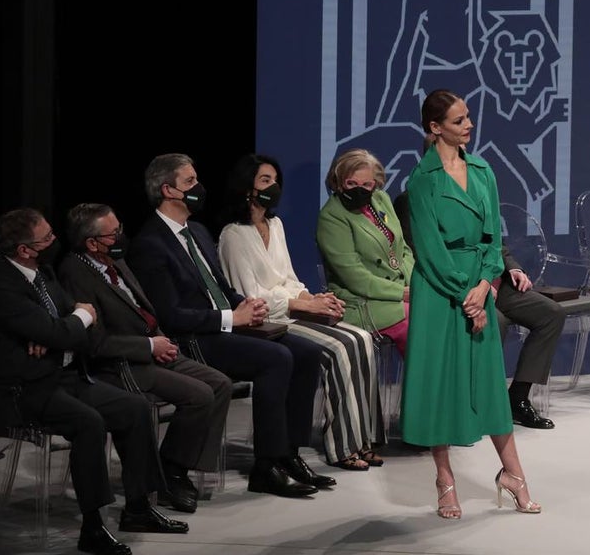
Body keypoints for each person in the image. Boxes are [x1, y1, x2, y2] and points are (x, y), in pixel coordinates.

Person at [0, 208, 188, 555]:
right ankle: (93, 526)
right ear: (25, 249)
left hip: (59, 374)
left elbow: (68, 323)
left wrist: (61, 328)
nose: (55, 241)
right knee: (89, 423)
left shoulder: (44, 272)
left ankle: (139, 508)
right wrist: (69, 324)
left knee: (133, 408)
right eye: (46, 238)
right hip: (18, 389)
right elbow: (70, 322)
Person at [127, 153, 333, 498]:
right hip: (193, 339)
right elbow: (170, 315)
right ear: (168, 191)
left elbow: (221, 287)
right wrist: (230, 318)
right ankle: (266, 465)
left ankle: (288, 453)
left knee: (307, 352)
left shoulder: (197, 231)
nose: (198, 187)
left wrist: (244, 304)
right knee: (276, 359)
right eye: (190, 182)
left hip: (225, 326)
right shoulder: (150, 244)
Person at [401, 88, 541, 519]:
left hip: (476, 286)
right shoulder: (421, 181)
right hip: (440, 295)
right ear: (435, 127)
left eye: (468, 117)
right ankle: (445, 479)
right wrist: (467, 295)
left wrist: (485, 286)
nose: (469, 125)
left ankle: (513, 474)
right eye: (460, 120)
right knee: (440, 386)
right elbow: (428, 250)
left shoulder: (482, 170)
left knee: (489, 387)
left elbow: (492, 239)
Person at [58, 202, 234, 513]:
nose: (121, 238)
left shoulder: (116, 259)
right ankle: (169, 476)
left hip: (153, 347)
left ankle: (175, 467)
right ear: (91, 243)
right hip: (120, 364)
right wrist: (148, 346)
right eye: (114, 234)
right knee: (199, 394)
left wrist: (160, 340)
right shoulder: (75, 272)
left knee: (219, 384)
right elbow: (95, 343)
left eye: (120, 229)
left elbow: (145, 308)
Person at [217, 153, 384, 471]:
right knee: (339, 347)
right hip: (264, 321)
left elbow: (289, 278)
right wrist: (302, 304)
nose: (273, 187)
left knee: (361, 338)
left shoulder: (275, 224)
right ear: (246, 188)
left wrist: (315, 298)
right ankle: (342, 446)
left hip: (291, 310)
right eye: (265, 181)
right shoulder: (233, 235)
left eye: (275, 181)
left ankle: (364, 440)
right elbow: (251, 296)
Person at [394, 192, 561, 430]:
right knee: (497, 323)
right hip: (456, 287)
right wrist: (471, 287)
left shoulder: (474, 192)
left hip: (494, 282)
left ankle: (518, 398)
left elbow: (495, 243)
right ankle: (476, 405)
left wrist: (513, 269)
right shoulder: (413, 199)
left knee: (550, 313)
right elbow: (422, 254)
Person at [316, 148, 414, 358]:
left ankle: (447, 388)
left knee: (444, 314)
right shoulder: (331, 217)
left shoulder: (381, 199)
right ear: (338, 181)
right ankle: (425, 389)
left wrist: (414, 284)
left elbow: (402, 249)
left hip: (399, 293)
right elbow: (356, 278)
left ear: (375, 184)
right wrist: (401, 292)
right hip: (361, 303)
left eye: (366, 185)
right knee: (421, 322)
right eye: (351, 184)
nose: (359, 190)